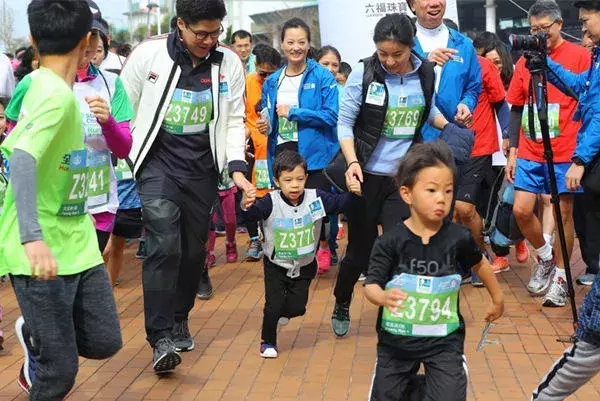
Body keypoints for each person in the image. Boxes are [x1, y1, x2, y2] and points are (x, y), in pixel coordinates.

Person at [120, 0, 253, 373]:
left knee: (194, 254)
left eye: (216, 32)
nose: (210, 41)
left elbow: (234, 120)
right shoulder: (147, 56)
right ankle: (160, 337)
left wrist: (237, 170)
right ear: (180, 24)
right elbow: (123, 111)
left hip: (202, 171)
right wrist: (129, 156)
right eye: (201, 33)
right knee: (163, 244)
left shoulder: (228, 63)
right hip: (158, 166)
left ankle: (180, 316)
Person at [0, 1, 122, 398]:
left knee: (105, 341)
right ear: (88, 40)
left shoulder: (46, 85)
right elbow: (21, 157)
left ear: (34, 40)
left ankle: (36, 332)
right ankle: (42, 339)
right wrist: (32, 238)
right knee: (59, 371)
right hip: (40, 249)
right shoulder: (51, 94)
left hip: (77, 236)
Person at [330, 13, 473, 338]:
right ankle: (341, 301)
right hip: (364, 178)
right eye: (383, 54)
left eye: (397, 54)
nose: (390, 61)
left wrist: (450, 127)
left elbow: (429, 110)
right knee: (359, 252)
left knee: (404, 244)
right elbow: (345, 122)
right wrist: (352, 163)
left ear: (411, 47)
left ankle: (401, 312)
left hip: (401, 179)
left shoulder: (424, 72)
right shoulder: (364, 74)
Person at [365, 141, 503, 401]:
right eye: (431, 190)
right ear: (406, 194)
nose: (442, 198)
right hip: (397, 343)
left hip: (443, 342)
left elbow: (480, 264)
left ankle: (442, 380)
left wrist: (498, 298)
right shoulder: (390, 241)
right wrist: (382, 297)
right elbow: (371, 285)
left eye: (448, 191)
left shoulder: (459, 237)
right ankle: (412, 388)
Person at [6, 1, 134, 256]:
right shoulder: (31, 84)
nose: (88, 43)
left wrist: (107, 122)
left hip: (100, 206)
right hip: (53, 212)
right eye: (84, 35)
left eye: (94, 35)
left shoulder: (111, 84)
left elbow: (123, 149)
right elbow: (14, 151)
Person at [505, 0, 590, 307]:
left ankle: (562, 277)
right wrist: (512, 149)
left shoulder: (580, 57)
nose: (539, 35)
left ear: (559, 25)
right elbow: (516, 105)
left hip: (566, 148)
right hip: (530, 148)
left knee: (562, 213)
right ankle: (544, 257)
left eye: (544, 29)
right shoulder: (524, 61)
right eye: (533, 29)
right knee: (521, 210)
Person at [241, 150, 360, 358]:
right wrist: (245, 205)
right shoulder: (271, 201)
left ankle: (285, 313)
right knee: (272, 305)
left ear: (306, 178)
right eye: (288, 180)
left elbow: (339, 203)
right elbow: (250, 215)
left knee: (298, 308)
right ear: (277, 181)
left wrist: (354, 192)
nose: (294, 185)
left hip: (305, 265)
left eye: (299, 179)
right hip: (276, 265)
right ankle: (267, 341)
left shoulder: (316, 198)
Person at [260, 18, 340, 275]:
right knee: (286, 207)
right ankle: (293, 255)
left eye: (301, 42)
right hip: (282, 151)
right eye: (290, 42)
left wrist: (295, 113)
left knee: (316, 206)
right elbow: (267, 113)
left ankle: (324, 245)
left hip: (314, 154)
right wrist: (266, 125)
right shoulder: (273, 80)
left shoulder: (322, 76)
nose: (296, 47)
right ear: (282, 44)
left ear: (309, 44)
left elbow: (331, 115)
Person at [408, 0, 482, 141]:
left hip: (452, 136)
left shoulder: (464, 44)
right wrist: (424, 62)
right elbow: (393, 79)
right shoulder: (403, 44)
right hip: (413, 140)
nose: (435, 3)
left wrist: (466, 104)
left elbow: (473, 87)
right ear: (412, 4)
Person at [244, 43, 281, 261]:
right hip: (252, 148)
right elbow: (242, 113)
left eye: (271, 73)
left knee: (275, 196)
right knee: (250, 195)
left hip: (274, 147)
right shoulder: (248, 82)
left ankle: (273, 241)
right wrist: (247, 135)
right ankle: (254, 239)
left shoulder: (281, 83)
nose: (266, 78)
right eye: (262, 73)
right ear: (255, 66)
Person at [316, 45, 344, 267]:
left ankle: (331, 247)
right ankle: (320, 247)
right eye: (325, 63)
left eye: (334, 64)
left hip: (339, 157)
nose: (330, 68)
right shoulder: (308, 91)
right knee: (318, 205)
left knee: (334, 207)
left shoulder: (344, 91)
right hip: (316, 158)